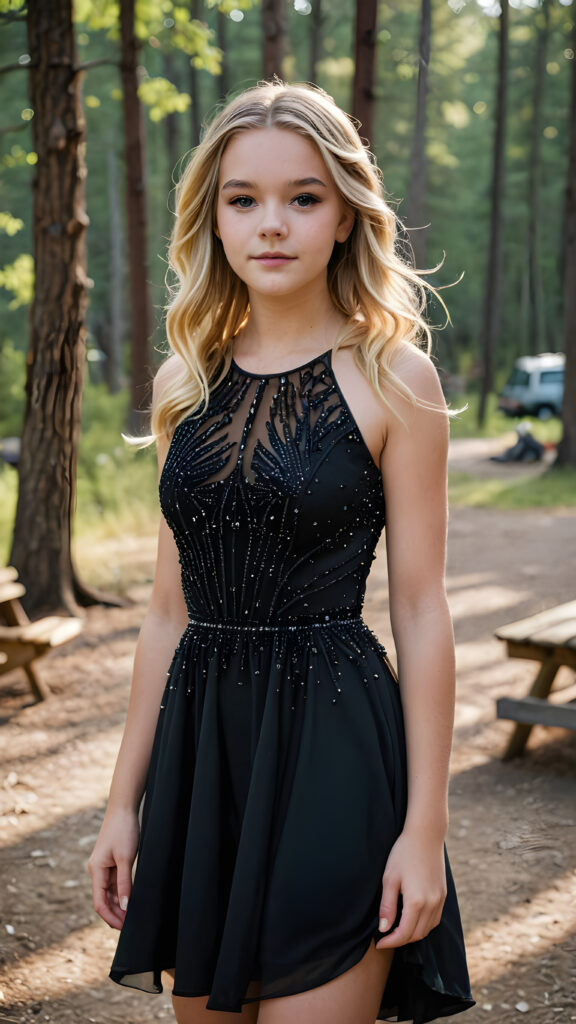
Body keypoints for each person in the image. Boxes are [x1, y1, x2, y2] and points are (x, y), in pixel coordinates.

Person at [88, 80, 475, 1024]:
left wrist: (424, 830)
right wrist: (122, 804)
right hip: (202, 755)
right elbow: (165, 614)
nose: (272, 223)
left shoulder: (396, 377)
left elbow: (421, 609)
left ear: (346, 216)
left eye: (303, 197)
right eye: (243, 199)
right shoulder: (183, 382)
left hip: (336, 751)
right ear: (213, 218)